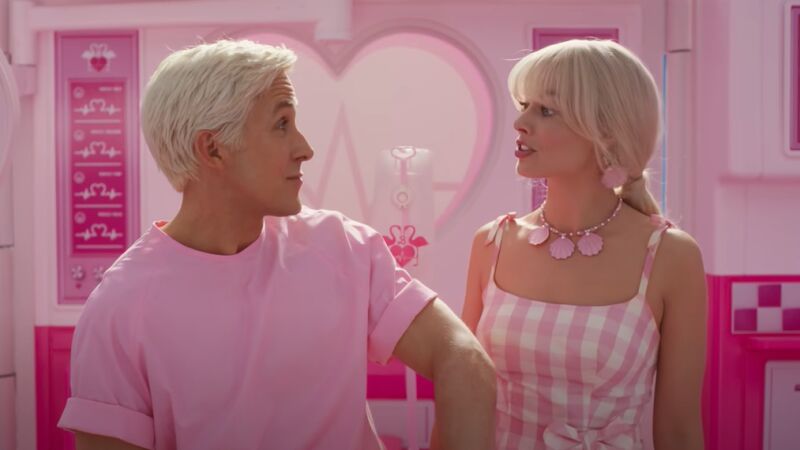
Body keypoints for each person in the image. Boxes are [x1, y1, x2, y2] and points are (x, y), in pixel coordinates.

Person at [57, 39, 496, 450]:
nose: (304, 148)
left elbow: (463, 359)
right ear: (213, 149)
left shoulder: (345, 247)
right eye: (281, 124)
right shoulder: (119, 308)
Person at [460, 40, 706, 449]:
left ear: (606, 130)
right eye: (524, 105)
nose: (520, 122)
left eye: (546, 110)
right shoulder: (492, 243)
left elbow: (679, 430)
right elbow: (462, 395)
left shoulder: (670, 256)